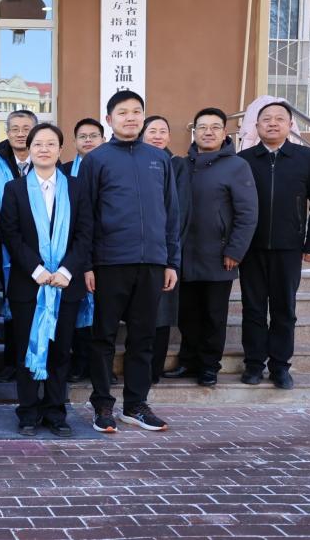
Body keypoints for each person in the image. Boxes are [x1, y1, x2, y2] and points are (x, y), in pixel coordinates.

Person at [80, 90, 180, 433]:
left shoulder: (159, 159)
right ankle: (102, 405)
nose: (131, 117)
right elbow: (86, 216)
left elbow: (171, 213)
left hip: (152, 262)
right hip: (110, 262)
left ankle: (136, 405)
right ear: (110, 119)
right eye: (123, 112)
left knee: (143, 337)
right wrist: (88, 264)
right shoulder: (96, 160)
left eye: (137, 111)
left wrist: (171, 261)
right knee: (103, 337)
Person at [2, 123, 92, 437]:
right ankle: (28, 412)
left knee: (60, 350)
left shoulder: (77, 187)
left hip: (65, 284)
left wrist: (66, 271)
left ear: (60, 149)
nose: (44, 149)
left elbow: (85, 233)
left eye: (50, 143)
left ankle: (55, 412)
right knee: (27, 349)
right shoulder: (14, 189)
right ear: (29, 149)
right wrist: (36, 269)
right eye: (38, 144)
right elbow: (11, 234)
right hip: (29, 284)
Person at [237, 100, 310, 390]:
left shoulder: (307, 158)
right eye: (266, 119)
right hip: (251, 247)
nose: (273, 123)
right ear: (257, 125)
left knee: (284, 308)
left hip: (289, 247)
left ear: (290, 125)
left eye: (279, 118)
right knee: (253, 308)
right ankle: (254, 364)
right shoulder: (244, 160)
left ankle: (280, 366)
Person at [164, 109, 258, 387]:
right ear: (194, 132)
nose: (208, 132)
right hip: (185, 255)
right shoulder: (182, 164)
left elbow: (247, 213)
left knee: (214, 315)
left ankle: (209, 366)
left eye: (215, 127)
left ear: (224, 133)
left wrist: (234, 250)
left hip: (219, 255)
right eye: (202, 127)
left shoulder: (237, 166)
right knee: (187, 314)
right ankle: (188, 360)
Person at [0, 109, 38, 385]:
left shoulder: (47, 161)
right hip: (5, 248)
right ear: (7, 133)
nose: (20, 133)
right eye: (15, 128)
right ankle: (12, 361)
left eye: (26, 128)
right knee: (11, 303)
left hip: (41, 249)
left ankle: (36, 360)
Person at [142, 116, 192, 384]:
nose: (158, 136)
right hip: (132, 252)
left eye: (163, 131)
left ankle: (153, 370)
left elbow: (178, 213)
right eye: (152, 131)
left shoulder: (177, 165)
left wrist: (169, 254)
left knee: (160, 314)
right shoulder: (133, 162)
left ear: (170, 137)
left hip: (163, 252)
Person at [62, 118, 104, 383]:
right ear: (75, 141)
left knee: (103, 310)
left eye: (93, 136)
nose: (88, 140)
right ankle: (79, 362)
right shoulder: (64, 171)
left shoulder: (112, 166)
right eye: (82, 136)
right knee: (77, 307)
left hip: (106, 247)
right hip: (74, 248)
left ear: (103, 139)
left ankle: (100, 366)